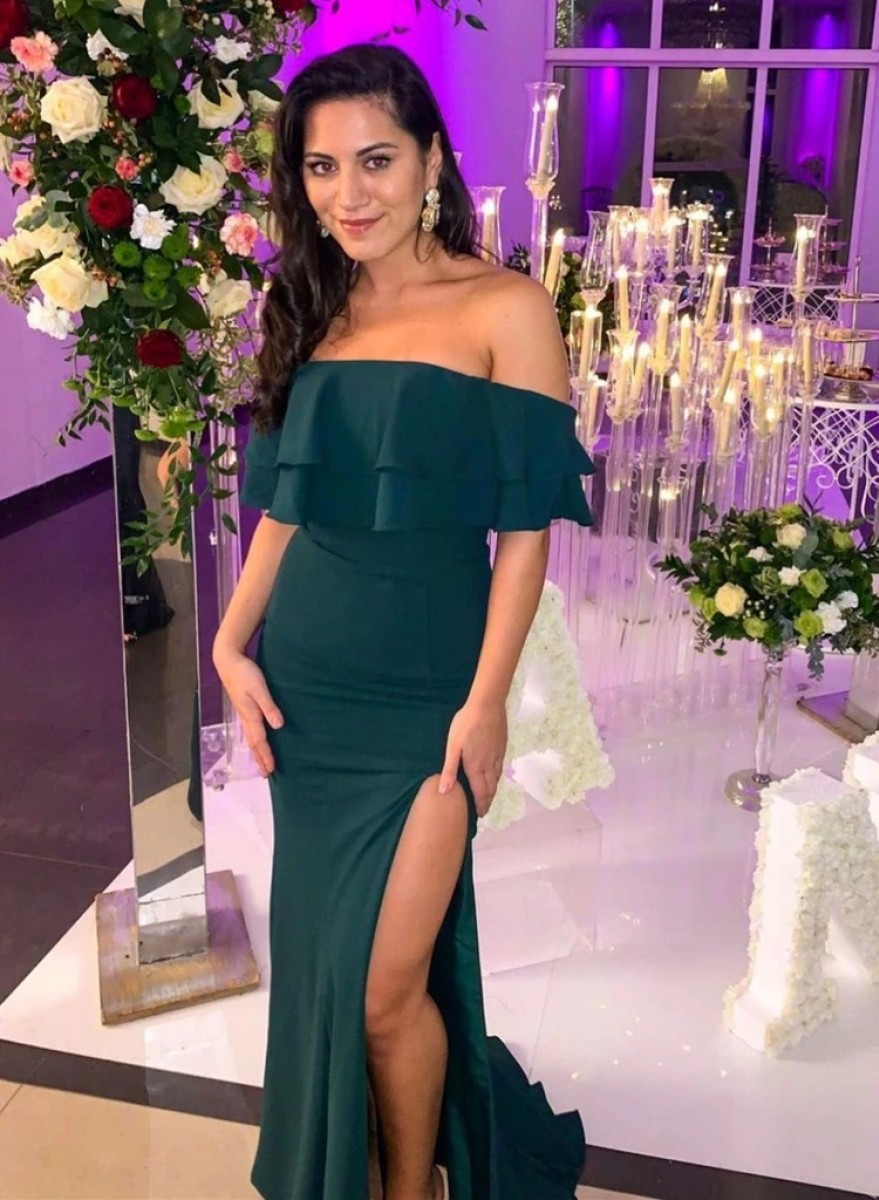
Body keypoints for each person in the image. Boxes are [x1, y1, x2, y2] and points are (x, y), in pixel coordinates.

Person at [213, 43, 594, 1200]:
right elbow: (286, 506)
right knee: (334, 962)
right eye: (322, 167)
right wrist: (228, 641)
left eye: (376, 160)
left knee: (386, 986)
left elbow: (525, 531)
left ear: (431, 160)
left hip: (429, 688)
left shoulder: (506, 306)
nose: (349, 193)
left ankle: (407, 1186)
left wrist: (486, 705)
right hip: (310, 683)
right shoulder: (309, 305)